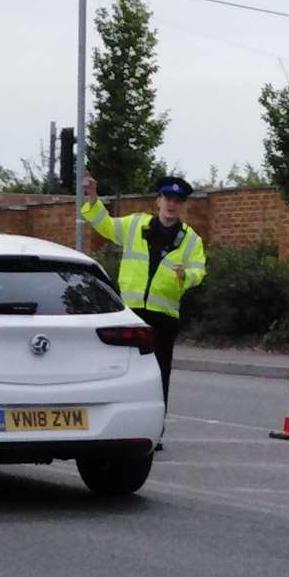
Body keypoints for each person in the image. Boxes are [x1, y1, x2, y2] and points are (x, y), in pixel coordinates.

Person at [82, 173, 207, 447]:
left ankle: (154, 430)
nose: (171, 205)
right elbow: (104, 225)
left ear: (182, 206)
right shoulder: (136, 224)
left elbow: (200, 270)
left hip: (164, 316)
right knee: (121, 369)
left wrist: (186, 275)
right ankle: (119, 424)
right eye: (167, 199)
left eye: (177, 201)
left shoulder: (190, 240)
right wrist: (93, 197)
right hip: (132, 312)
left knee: (159, 373)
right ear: (158, 201)